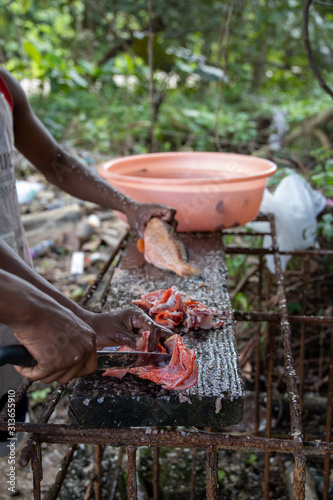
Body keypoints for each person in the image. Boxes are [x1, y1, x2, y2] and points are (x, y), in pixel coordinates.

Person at [0, 65, 175, 392]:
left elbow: (56, 162)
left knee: (9, 413)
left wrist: (128, 206)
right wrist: (31, 310)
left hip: (14, 289)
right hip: (17, 302)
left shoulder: (3, 85)